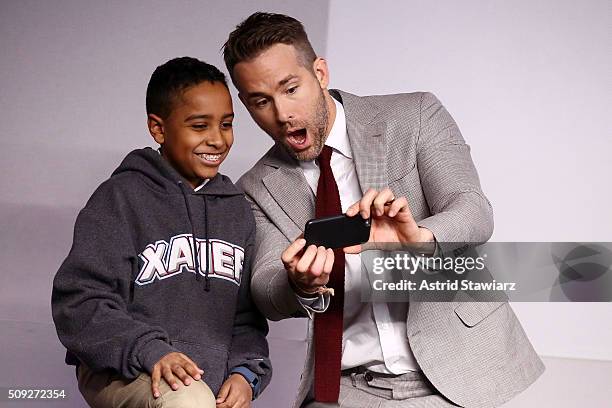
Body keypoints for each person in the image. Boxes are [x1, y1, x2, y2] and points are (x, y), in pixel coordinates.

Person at [222, 12, 544, 408]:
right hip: (349, 386)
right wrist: (299, 284)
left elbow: (473, 209)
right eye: (261, 101)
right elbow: (266, 289)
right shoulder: (256, 187)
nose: (282, 113)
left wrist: (420, 239)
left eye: (291, 89)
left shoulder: (415, 116)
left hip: (455, 370)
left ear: (319, 73)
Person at [51, 57, 271, 408]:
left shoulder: (236, 211)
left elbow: (245, 318)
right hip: (125, 366)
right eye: (200, 126)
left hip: (201, 377)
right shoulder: (121, 198)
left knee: (194, 397)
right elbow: (79, 302)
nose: (217, 139)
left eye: (227, 124)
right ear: (159, 128)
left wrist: (245, 374)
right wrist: (150, 350)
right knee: (188, 401)